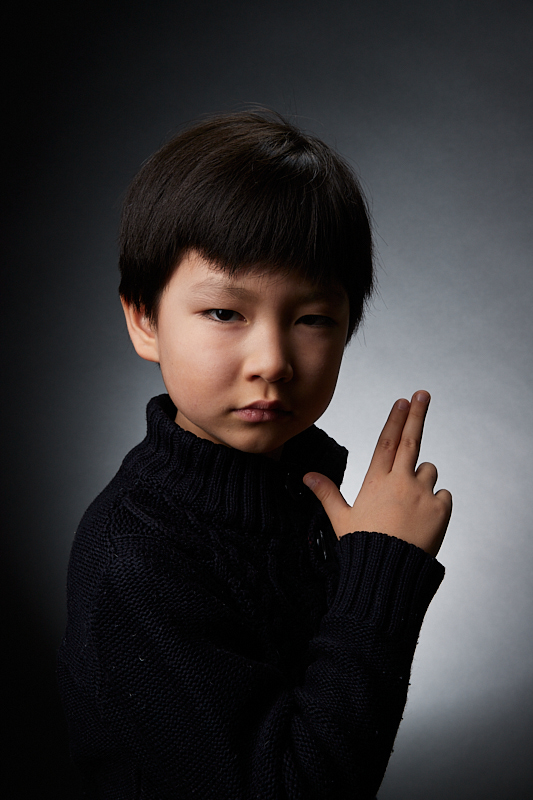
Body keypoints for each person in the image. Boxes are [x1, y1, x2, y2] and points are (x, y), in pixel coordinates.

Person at [57, 110, 452, 799]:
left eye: (311, 320)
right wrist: (380, 576)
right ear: (144, 320)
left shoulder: (301, 496)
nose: (271, 361)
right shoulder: (136, 555)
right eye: (224, 314)